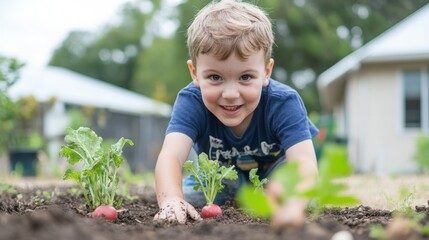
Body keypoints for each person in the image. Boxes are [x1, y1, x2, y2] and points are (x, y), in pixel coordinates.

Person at [153, 0, 319, 229]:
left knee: (307, 196)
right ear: (195, 73)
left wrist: (294, 204)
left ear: (266, 71)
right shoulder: (191, 101)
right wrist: (171, 200)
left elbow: (304, 163)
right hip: (221, 178)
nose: (231, 94)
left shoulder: (284, 102)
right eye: (215, 77)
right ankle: (239, 197)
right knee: (189, 198)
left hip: (274, 174)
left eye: (245, 77)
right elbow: (170, 155)